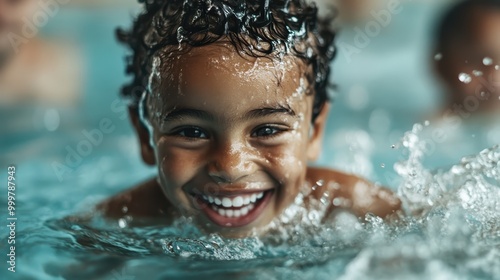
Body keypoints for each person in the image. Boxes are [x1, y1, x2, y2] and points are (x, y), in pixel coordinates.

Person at [96, 0, 401, 238]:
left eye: (267, 130)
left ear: (314, 133)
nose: (230, 168)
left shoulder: (349, 205)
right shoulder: (121, 222)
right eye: (192, 132)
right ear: (144, 136)